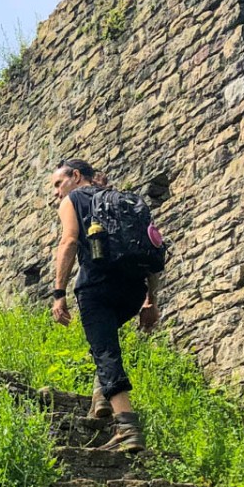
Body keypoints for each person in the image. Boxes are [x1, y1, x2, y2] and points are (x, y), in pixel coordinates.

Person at [48, 158, 160, 453]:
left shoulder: (73, 199)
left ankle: (127, 428)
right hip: (133, 291)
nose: (56, 192)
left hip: (96, 288)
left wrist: (59, 292)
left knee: (105, 350)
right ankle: (100, 396)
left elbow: (69, 241)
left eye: (58, 184)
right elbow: (149, 250)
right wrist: (151, 299)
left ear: (75, 176)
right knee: (103, 342)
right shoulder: (125, 200)